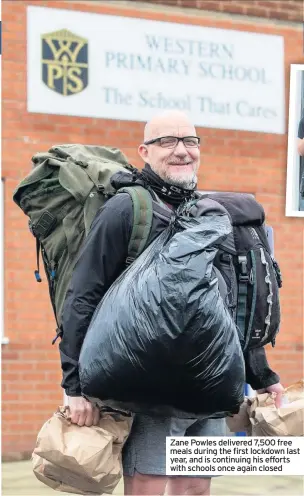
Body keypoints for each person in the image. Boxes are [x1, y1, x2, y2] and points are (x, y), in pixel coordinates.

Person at [59, 110, 284, 496]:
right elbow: (83, 295)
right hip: (146, 382)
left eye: (190, 141)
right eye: (168, 142)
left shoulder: (210, 214)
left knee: (196, 486)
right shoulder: (128, 209)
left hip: (211, 384)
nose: (181, 151)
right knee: (148, 485)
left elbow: (234, 303)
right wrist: (74, 386)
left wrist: (262, 376)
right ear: (145, 151)